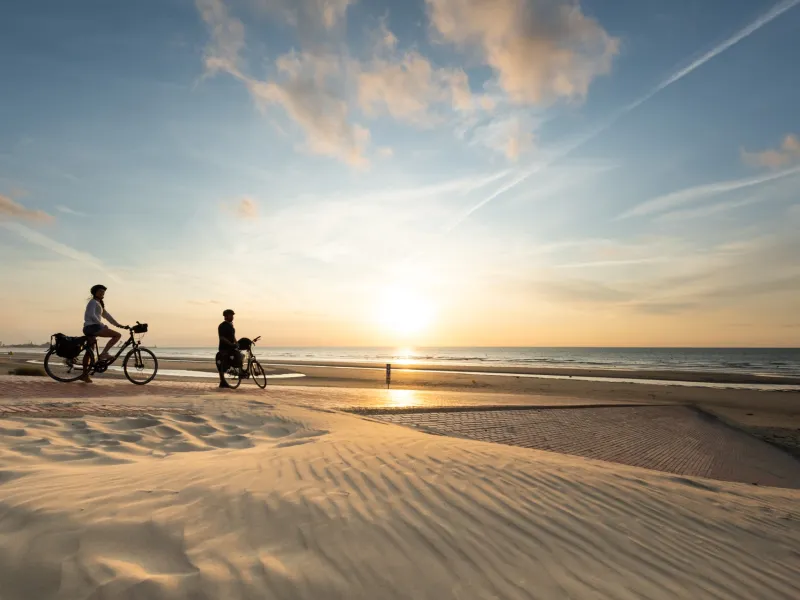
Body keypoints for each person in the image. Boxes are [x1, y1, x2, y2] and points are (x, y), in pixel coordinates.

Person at [81, 284, 128, 383]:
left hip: (90, 328)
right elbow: (91, 315)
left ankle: (84, 375)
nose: (102, 293)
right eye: (100, 291)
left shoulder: (99, 304)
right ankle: (104, 353)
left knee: (89, 352)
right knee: (117, 335)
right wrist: (102, 325)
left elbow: (107, 316)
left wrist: (118, 325)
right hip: (92, 327)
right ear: (94, 292)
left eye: (103, 292)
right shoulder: (93, 302)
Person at [216, 308, 240, 389]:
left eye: (233, 315)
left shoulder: (231, 326)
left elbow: (233, 337)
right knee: (221, 363)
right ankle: (222, 381)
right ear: (226, 316)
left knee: (238, 357)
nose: (232, 317)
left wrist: (236, 343)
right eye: (231, 315)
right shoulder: (222, 326)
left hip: (231, 347)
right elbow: (222, 337)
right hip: (224, 348)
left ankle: (236, 374)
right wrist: (231, 344)